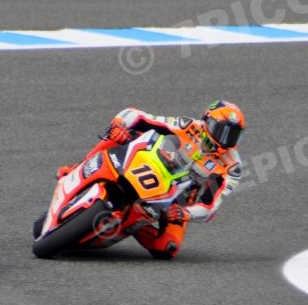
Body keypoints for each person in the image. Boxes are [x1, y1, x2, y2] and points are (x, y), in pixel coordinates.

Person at [57, 101, 244, 259]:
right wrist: (119, 124)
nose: (225, 139)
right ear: (207, 121)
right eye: (221, 130)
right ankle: (79, 166)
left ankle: (132, 224)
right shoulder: (186, 126)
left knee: (167, 248)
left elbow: (210, 207)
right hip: (147, 167)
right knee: (121, 135)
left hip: (174, 201)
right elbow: (136, 116)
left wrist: (183, 213)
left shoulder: (232, 167)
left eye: (232, 135)